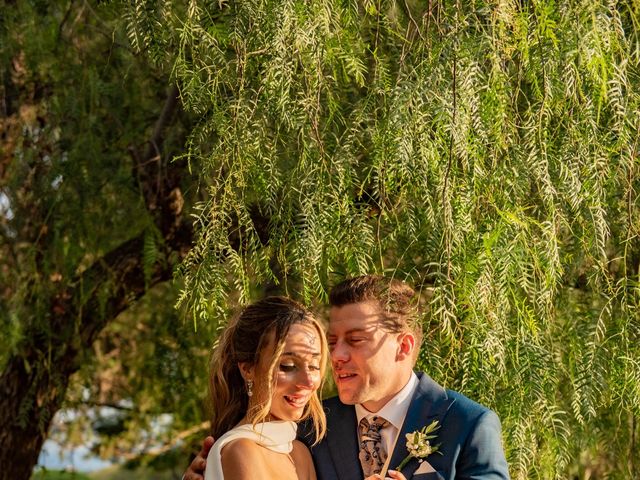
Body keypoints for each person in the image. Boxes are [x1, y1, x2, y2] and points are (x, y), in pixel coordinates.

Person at [184, 276, 509, 479]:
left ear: (403, 346)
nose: (336, 357)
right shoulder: (308, 427)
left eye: (354, 340)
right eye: (333, 341)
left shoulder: (468, 425)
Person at [201, 296, 328, 480]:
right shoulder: (241, 451)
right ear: (248, 369)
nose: (309, 382)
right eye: (288, 365)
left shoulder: (300, 452)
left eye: (314, 365)